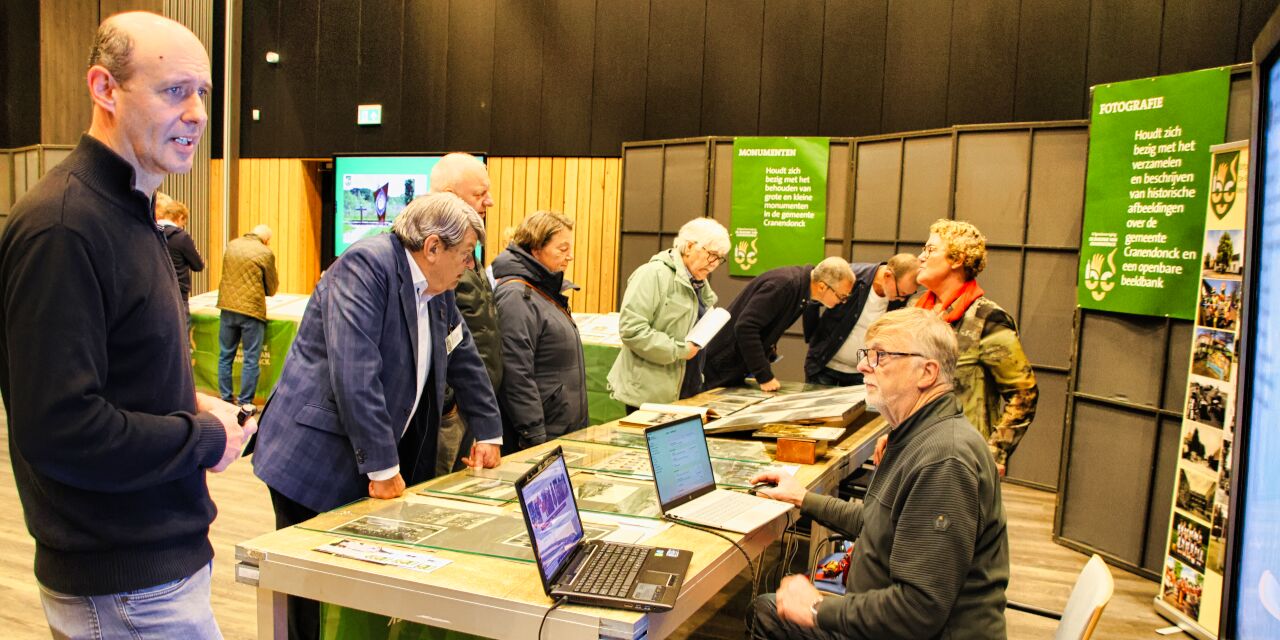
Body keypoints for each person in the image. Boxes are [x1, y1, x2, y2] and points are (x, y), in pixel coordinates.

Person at [0, 12, 252, 638]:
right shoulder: (63, 225)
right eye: (173, 91)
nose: (196, 112)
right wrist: (202, 439)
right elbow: (62, 429)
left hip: (152, 573)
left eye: (203, 93)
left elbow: (112, 375)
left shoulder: (129, 211)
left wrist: (182, 401)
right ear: (104, 88)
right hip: (125, 588)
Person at [253, 192, 503, 640]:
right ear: (432, 247)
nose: (469, 266)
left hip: (364, 451)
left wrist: (488, 430)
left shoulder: (437, 289)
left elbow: (463, 354)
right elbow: (355, 371)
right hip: (316, 452)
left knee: (351, 585)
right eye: (465, 256)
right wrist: (385, 467)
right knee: (304, 588)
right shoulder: (366, 266)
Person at [749, 307, 1009, 639]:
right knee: (769, 610)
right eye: (867, 354)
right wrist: (803, 498)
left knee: (771, 612)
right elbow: (877, 523)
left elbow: (918, 609)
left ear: (926, 373)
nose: (862, 366)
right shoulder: (917, 436)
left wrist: (817, 608)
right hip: (886, 621)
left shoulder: (944, 460)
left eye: (880, 356)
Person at [910, 219, 1037, 475]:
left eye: (931, 250)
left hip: (960, 461)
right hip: (913, 451)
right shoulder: (916, 311)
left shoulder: (988, 319)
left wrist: (994, 453)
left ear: (957, 259)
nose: (921, 257)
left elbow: (1023, 394)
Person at [428, 153, 502, 476]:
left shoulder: (467, 250)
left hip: (468, 406)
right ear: (448, 196)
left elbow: (461, 337)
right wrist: (448, 404)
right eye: (479, 194)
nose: (491, 201)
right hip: (448, 414)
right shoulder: (428, 259)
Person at [608, 218, 730, 411]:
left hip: (687, 390)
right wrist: (680, 350)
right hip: (649, 396)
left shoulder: (698, 281)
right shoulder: (652, 274)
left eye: (720, 258)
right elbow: (632, 330)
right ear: (689, 246)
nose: (714, 264)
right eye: (712, 255)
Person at [493, 210, 588, 451]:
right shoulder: (517, 296)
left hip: (559, 428)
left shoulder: (542, 291)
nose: (570, 257)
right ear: (536, 248)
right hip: (540, 436)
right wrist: (534, 434)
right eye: (562, 249)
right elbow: (516, 373)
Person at [702, 257, 855, 392]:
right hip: (718, 367)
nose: (842, 301)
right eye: (841, 296)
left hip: (734, 366)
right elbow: (746, 327)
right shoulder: (785, 285)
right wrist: (764, 376)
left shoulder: (800, 289)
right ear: (822, 286)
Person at [803, 254, 919, 386]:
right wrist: (813, 338)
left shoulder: (897, 297)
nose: (902, 299)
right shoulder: (851, 277)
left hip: (862, 372)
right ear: (888, 276)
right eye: (902, 293)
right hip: (824, 366)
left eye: (907, 295)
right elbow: (812, 300)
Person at [216, 224, 278, 405]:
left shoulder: (232, 245)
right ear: (266, 240)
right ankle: (245, 402)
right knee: (251, 359)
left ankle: (226, 399)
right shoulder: (265, 253)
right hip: (251, 310)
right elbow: (272, 287)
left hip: (227, 307)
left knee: (225, 356)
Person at [155, 191, 206, 335]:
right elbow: (198, 265)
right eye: (184, 222)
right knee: (181, 336)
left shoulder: (152, 231)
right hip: (178, 293)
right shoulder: (181, 237)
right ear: (180, 217)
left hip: (156, 292)